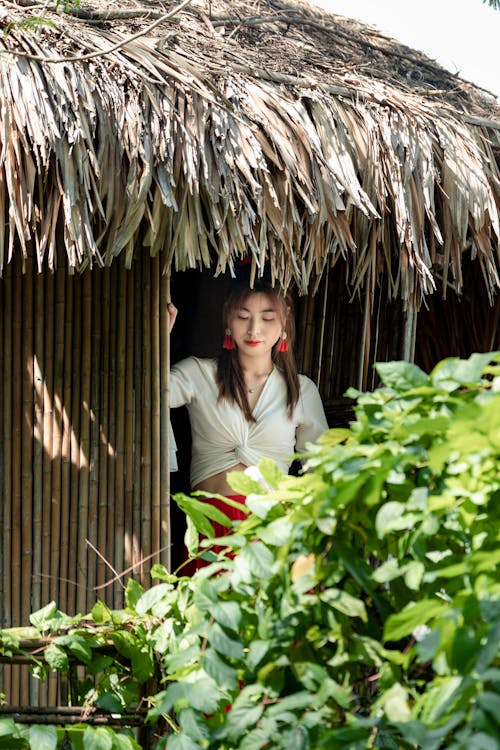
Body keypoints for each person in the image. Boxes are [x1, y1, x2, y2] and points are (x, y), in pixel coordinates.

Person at [167, 278, 328, 564]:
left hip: (274, 530)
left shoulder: (301, 390)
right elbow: (148, 393)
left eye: (267, 318)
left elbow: (323, 468)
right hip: (211, 527)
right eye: (243, 317)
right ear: (228, 318)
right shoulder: (198, 374)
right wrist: (159, 336)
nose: (254, 330)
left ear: (284, 322)